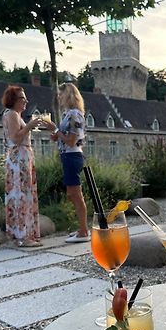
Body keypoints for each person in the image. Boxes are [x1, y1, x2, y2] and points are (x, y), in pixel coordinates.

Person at [46, 83, 90, 243]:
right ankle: (82, 228)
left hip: (72, 156)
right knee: (73, 194)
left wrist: (56, 130)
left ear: (69, 95)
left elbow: (72, 141)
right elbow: (68, 138)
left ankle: (84, 231)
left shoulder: (74, 115)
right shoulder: (69, 114)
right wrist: (57, 135)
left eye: (61, 94)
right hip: (68, 157)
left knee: (75, 195)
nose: (59, 97)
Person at [1, 85, 42, 247]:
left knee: (23, 194)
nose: (26, 101)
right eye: (22, 98)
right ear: (14, 100)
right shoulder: (12, 114)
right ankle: (24, 236)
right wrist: (30, 126)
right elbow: (15, 138)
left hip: (21, 158)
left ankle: (23, 234)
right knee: (22, 195)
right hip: (19, 158)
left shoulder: (15, 115)